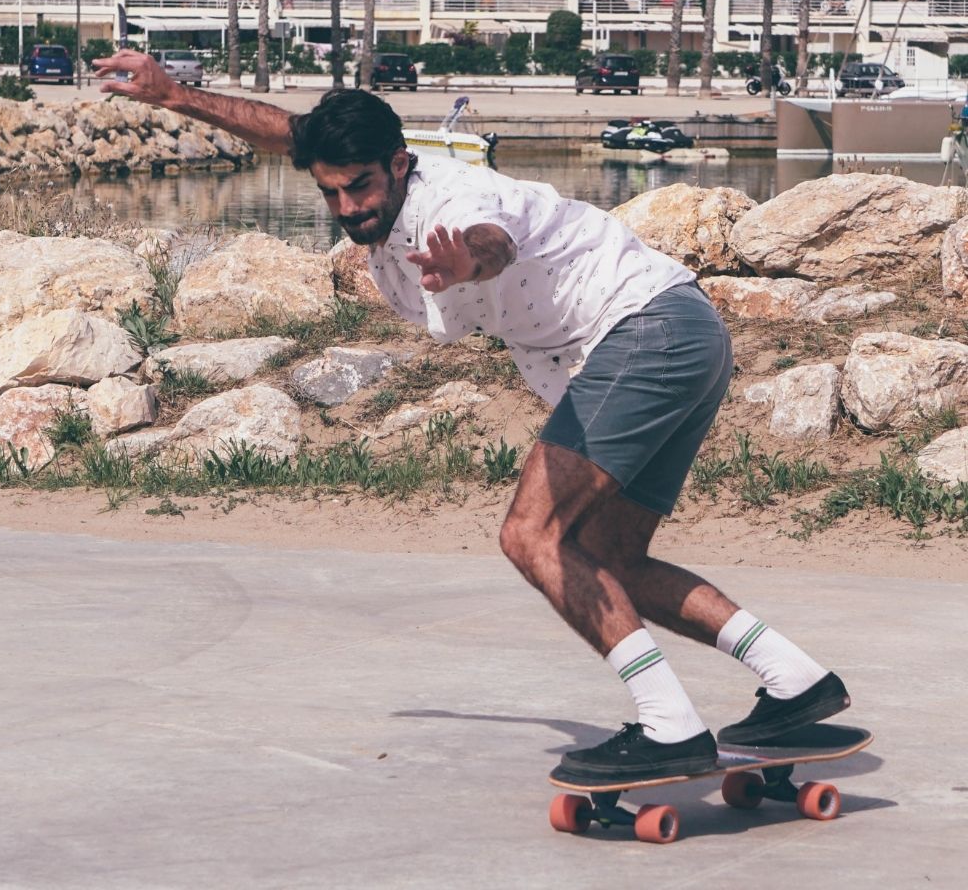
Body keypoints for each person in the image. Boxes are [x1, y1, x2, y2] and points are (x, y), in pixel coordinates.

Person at [92, 49, 851, 778]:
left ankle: (669, 726)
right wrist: (174, 95)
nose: (349, 208)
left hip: (644, 333)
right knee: (609, 556)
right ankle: (796, 680)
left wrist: (468, 262)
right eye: (331, 194)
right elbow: (289, 133)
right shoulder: (364, 168)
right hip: (680, 333)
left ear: (398, 165)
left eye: (360, 188)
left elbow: (495, 239)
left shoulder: (452, 203)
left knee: (532, 534)